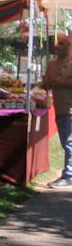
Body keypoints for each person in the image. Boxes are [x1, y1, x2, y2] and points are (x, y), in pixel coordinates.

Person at [40, 36, 72, 188]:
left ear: (69, 45)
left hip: (70, 109)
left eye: (61, 43)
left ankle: (69, 176)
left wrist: (63, 84)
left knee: (69, 143)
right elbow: (45, 83)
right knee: (66, 142)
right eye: (55, 44)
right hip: (58, 108)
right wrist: (43, 85)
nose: (57, 47)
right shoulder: (52, 64)